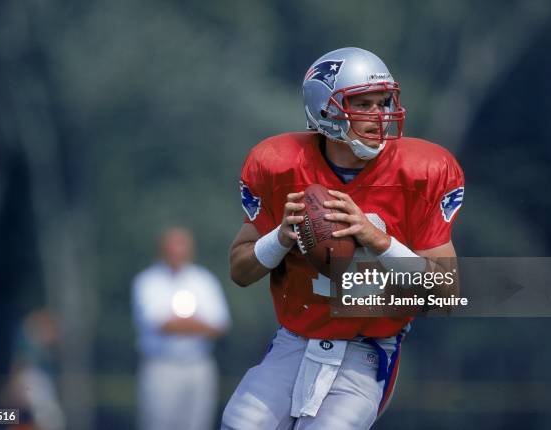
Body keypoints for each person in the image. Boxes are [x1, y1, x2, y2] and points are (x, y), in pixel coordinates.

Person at [221, 47, 464, 429]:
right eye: (362, 104)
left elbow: (446, 291)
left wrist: (379, 241)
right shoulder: (281, 166)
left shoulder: (422, 172)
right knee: (240, 423)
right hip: (294, 340)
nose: (379, 116)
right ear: (325, 111)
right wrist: (279, 238)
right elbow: (240, 269)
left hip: (366, 351)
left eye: (383, 102)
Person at [132, 227, 231, 430]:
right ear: (162, 249)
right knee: (158, 424)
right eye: (173, 245)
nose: (178, 251)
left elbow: (220, 324)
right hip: (162, 366)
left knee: (198, 424)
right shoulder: (148, 281)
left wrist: (180, 324)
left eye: (182, 245)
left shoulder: (203, 280)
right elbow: (160, 324)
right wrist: (198, 324)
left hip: (199, 365)